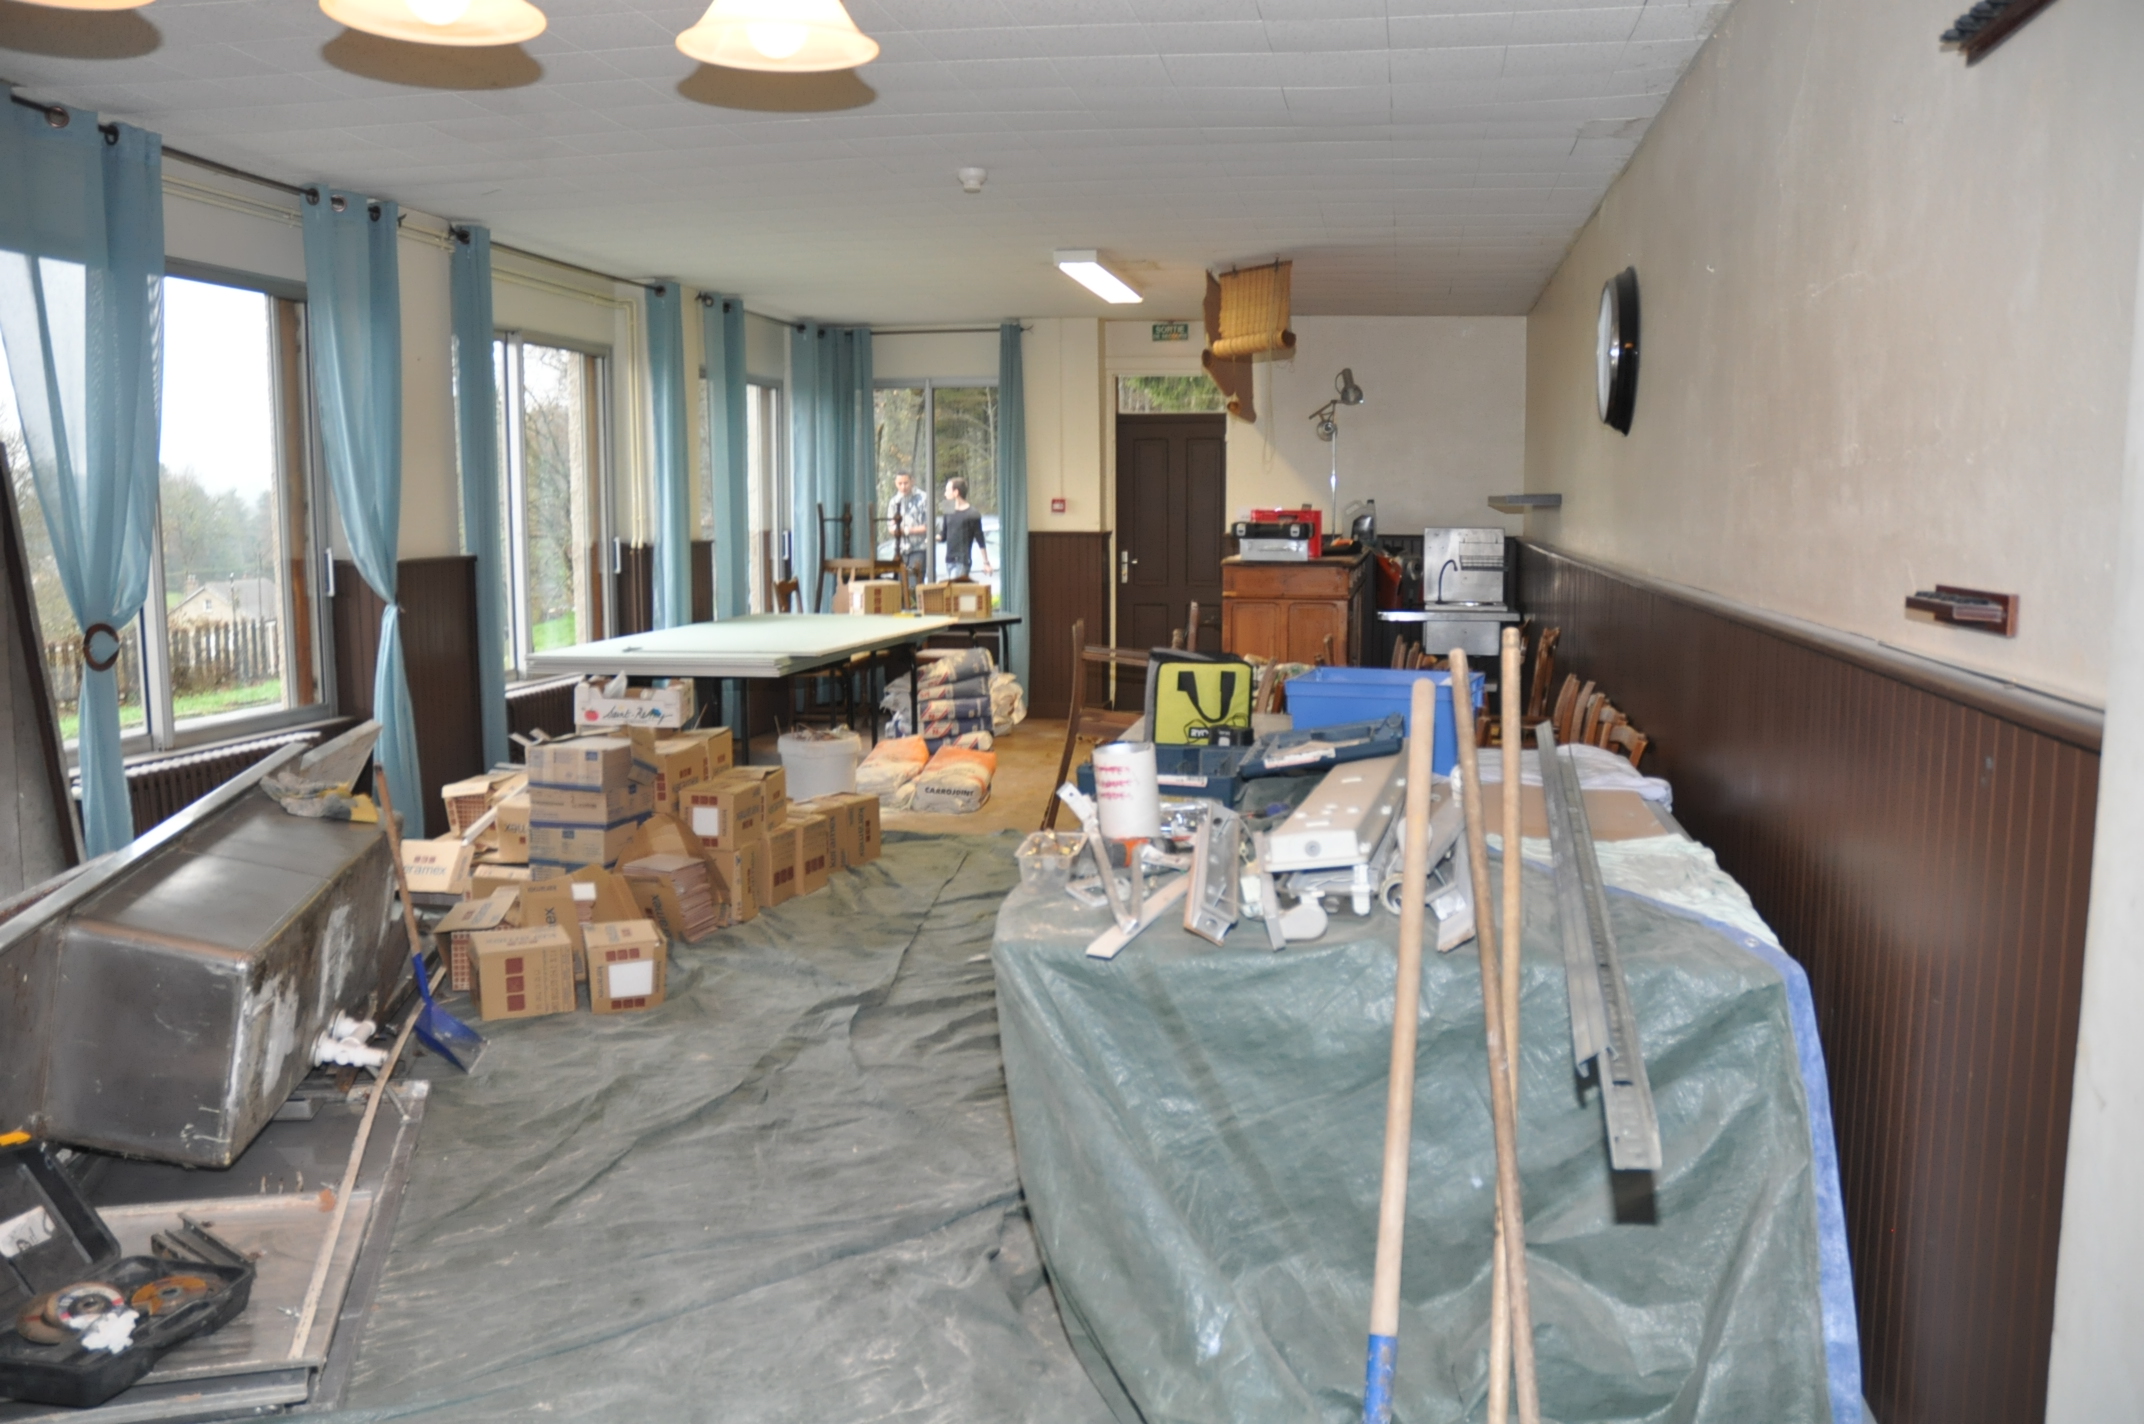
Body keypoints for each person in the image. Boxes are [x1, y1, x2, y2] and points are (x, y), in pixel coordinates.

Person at [940, 477, 993, 582]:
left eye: (947, 490)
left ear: (956, 492)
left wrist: (986, 562)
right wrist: (931, 537)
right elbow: (943, 535)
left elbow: (980, 540)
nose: (945, 494)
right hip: (949, 560)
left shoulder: (972, 513)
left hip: (962, 561)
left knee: (954, 589)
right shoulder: (948, 507)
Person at [887, 471, 930, 586]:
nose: (903, 487)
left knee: (914, 584)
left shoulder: (924, 498)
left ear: (912, 481)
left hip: (919, 548)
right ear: (895, 483)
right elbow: (890, 526)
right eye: (900, 483)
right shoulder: (894, 501)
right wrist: (896, 530)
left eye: (906, 483)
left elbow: (929, 526)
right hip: (900, 550)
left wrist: (907, 531)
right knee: (899, 585)